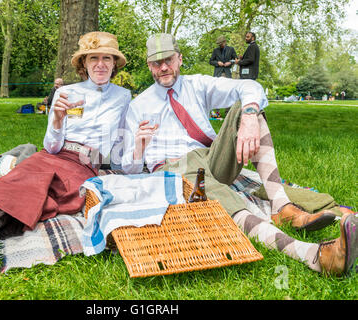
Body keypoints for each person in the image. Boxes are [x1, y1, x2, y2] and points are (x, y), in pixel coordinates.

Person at [121, 33, 357, 276]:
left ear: (179, 59)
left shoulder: (197, 85)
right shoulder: (138, 106)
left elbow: (250, 86)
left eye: (168, 60)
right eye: (156, 63)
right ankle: (314, 255)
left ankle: (282, 206)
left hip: (211, 156)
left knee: (246, 108)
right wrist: (139, 145)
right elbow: (127, 168)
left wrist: (249, 117)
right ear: (149, 66)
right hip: (174, 167)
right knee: (224, 197)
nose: (163, 68)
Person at [0, 31, 131, 277]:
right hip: (53, 154)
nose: (100, 64)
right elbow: (51, 146)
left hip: (84, 164)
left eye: (107, 58)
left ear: (115, 63)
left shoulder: (123, 97)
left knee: (46, 188)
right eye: (93, 58)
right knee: (21, 179)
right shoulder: (67, 93)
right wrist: (56, 119)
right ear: (83, 64)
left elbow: (121, 145)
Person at [209, 35, 238, 117]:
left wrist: (230, 62)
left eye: (221, 43)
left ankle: (228, 113)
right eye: (219, 44)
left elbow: (235, 59)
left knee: (228, 92)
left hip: (227, 73)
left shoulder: (231, 49)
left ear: (225, 42)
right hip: (218, 74)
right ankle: (217, 113)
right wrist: (217, 63)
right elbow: (211, 61)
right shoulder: (215, 50)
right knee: (217, 93)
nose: (220, 45)